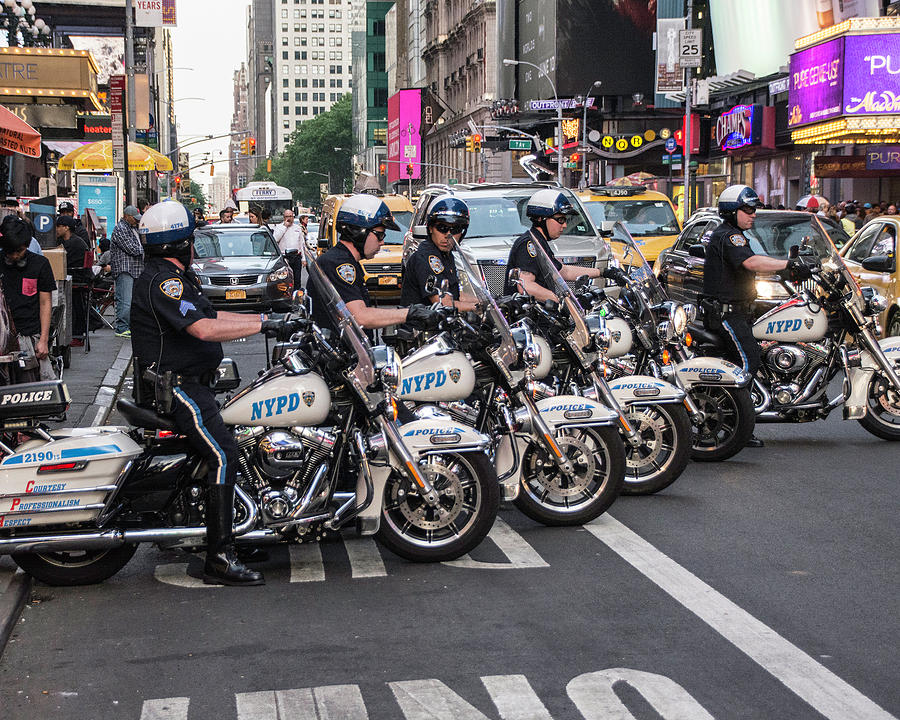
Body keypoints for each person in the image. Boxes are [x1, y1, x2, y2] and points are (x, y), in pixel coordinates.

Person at [131, 200, 294, 586]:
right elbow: (203, 329)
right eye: (191, 240)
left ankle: (234, 532)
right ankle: (218, 557)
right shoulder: (165, 282)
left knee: (238, 439)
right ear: (180, 244)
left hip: (189, 384)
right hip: (178, 388)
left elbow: (214, 315)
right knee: (224, 453)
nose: (194, 247)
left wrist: (271, 321)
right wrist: (263, 325)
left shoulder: (174, 278)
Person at [701, 185, 811, 447]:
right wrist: (787, 264)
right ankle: (740, 428)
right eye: (748, 209)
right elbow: (751, 262)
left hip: (740, 310)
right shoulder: (730, 236)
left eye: (754, 209)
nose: (753, 214)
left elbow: (753, 265)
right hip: (727, 314)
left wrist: (788, 269)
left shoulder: (736, 234)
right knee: (747, 362)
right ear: (731, 211)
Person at [306, 194, 439, 336]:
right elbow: (361, 316)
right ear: (359, 232)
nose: (382, 242)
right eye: (380, 235)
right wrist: (410, 313)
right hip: (337, 353)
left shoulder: (345, 260)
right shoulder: (338, 264)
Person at [503, 189, 608, 300]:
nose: (565, 225)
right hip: (527, 314)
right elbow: (525, 286)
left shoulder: (540, 242)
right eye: (560, 220)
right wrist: (558, 300)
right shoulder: (528, 245)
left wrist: (602, 272)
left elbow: (563, 271)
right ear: (541, 219)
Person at [0, 215, 56, 381]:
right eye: (11, 252)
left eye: (20, 251)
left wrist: (43, 340)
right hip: (4, 335)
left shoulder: (40, 264)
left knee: (31, 388)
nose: (16, 256)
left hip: (30, 336)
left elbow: (45, 302)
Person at [400, 197, 479, 311]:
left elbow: (457, 296)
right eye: (442, 228)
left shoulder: (446, 254)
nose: (448, 235)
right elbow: (443, 303)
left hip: (442, 324)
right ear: (431, 228)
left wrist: (488, 302)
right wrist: (477, 308)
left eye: (455, 230)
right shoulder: (426, 258)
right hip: (421, 326)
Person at [55, 214, 91, 346]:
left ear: (66, 228)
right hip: (72, 277)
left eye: (59, 226)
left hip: (76, 279)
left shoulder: (74, 243)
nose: (56, 229)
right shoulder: (65, 242)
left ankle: (76, 333)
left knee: (74, 305)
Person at [109, 205, 144, 338]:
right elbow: (133, 249)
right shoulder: (121, 229)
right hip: (125, 269)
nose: (136, 221)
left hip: (134, 269)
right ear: (127, 216)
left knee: (130, 300)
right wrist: (145, 250)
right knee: (125, 300)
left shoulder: (132, 228)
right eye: (134, 219)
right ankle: (122, 327)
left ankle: (127, 326)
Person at [274, 208, 305, 289]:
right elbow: (275, 239)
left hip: (296, 256)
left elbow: (301, 244)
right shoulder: (279, 227)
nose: (289, 218)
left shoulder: (297, 228)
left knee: (297, 279)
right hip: (285, 257)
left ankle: (297, 295)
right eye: (287, 216)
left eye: (291, 216)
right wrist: (285, 227)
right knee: (285, 279)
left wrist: (303, 259)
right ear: (284, 217)